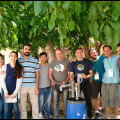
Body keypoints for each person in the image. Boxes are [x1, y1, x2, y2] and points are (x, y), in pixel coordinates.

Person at [69, 47, 93, 119]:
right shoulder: (72, 63)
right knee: (77, 99)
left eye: (81, 52)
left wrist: (86, 76)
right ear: (75, 54)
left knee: (88, 99)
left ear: (83, 53)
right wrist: (74, 82)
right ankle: (78, 114)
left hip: (86, 83)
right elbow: (71, 75)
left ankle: (90, 115)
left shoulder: (87, 62)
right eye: (78, 52)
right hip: (77, 84)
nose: (79, 54)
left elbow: (91, 74)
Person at [18, 44, 40, 119]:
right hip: (22, 86)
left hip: (33, 86)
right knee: (22, 106)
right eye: (26, 49)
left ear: (30, 50)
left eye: (29, 49)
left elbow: (37, 74)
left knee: (35, 105)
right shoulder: (18, 61)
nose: (27, 51)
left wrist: (37, 86)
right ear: (22, 50)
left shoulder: (35, 60)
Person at [49, 48, 70, 119]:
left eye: (60, 53)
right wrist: (52, 81)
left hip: (65, 85)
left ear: (62, 53)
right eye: (57, 54)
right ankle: (55, 116)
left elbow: (70, 74)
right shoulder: (53, 62)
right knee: (55, 102)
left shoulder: (67, 61)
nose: (59, 55)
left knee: (65, 102)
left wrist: (65, 81)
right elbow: (50, 74)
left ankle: (66, 116)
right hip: (56, 85)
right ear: (55, 55)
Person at [1, 51, 23, 119]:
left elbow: (19, 82)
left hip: (14, 92)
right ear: (9, 57)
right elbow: (2, 80)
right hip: (6, 91)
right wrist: (5, 92)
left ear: (16, 58)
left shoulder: (19, 68)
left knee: (16, 109)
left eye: (15, 56)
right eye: (12, 56)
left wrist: (15, 93)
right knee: (6, 109)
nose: (13, 58)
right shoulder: (5, 67)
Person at [102, 45, 120, 119]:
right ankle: (107, 117)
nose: (106, 52)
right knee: (106, 102)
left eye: (108, 50)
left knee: (115, 102)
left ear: (111, 50)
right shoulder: (103, 59)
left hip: (114, 82)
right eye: (105, 51)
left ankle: (115, 117)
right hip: (104, 82)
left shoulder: (117, 58)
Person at [88, 48, 106, 119]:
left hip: (104, 80)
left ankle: (100, 107)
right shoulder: (89, 62)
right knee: (94, 97)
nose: (93, 54)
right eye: (91, 53)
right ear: (90, 55)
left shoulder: (102, 58)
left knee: (103, 96)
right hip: (94, 81)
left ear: (96, 52)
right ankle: (96, 112)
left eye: (94, 52)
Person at [38, 52, 52, 119]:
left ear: (46, 57)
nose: (43, 58)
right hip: (40, 88)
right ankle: (40, 114)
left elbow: (51, 75)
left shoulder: (49, 65)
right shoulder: (37, 66)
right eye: (42, 57)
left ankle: (47, 115)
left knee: (48, 103)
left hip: (48, 88)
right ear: (40, 58)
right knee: (40, 103)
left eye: (45, 57)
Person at [0, 54, 4, 119]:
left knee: (3, 107)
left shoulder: (5, 67)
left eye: (1, 59)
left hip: (4, 91)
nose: (0, 60)